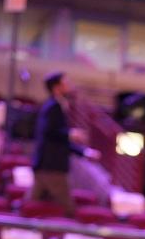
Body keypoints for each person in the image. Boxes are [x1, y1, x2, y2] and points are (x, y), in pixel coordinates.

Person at [32, 71, 99, 216]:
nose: (69, 86)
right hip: (52, 167)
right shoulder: (53, 107)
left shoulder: (55, 106)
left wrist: (83, 151)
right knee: (68, 209)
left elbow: (59, 138)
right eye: (65, 83)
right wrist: (70, 134)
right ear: (56, 88)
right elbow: (51, 133)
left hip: (47, 166)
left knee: (33, 203)